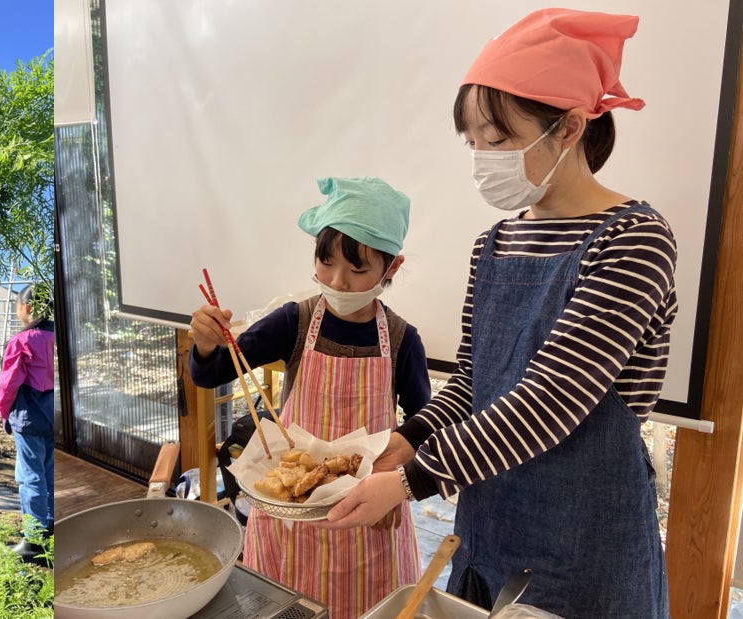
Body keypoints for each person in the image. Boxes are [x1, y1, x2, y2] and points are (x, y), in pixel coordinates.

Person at [322, 9, 676, 618]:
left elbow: (552, 398)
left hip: (585, 535)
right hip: (488, 520)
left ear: (567, 127)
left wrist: (412, 482)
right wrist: (407, 440)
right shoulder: (495, 243)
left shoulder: (634, 240)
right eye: (474, 143)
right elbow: (472, 380)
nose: (484, 158)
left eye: (499, 139)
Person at [190, 177, 430, 617]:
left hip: (367, 511)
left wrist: (403, 489)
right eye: (326, 262)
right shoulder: (295, 321)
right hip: (290, 511)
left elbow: (426, 422)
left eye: (358, 270)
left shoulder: (400, 339)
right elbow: (218, 372)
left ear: (390, 269)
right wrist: (207, 344)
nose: (337, 280)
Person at [0, 282, 55, 566]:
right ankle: (52, 530)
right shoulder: (59, 338)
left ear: (27, 308)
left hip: (29, 417)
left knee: (30, 476)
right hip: (54, 417)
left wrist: (2, 413)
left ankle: (34, 541)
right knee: (49, 474)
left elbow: (8, 384)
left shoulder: (22, 341)